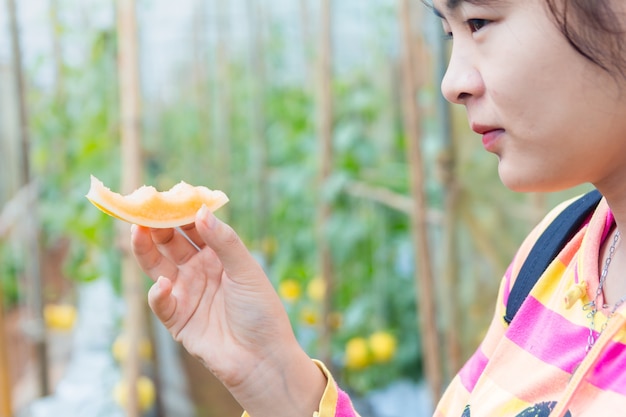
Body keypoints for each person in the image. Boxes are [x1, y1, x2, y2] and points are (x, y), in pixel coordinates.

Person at [130, 0, 626, 416]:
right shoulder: (553, 254)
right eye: (451, 34)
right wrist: (273, 375)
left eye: (478, 21)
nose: (452, 83)